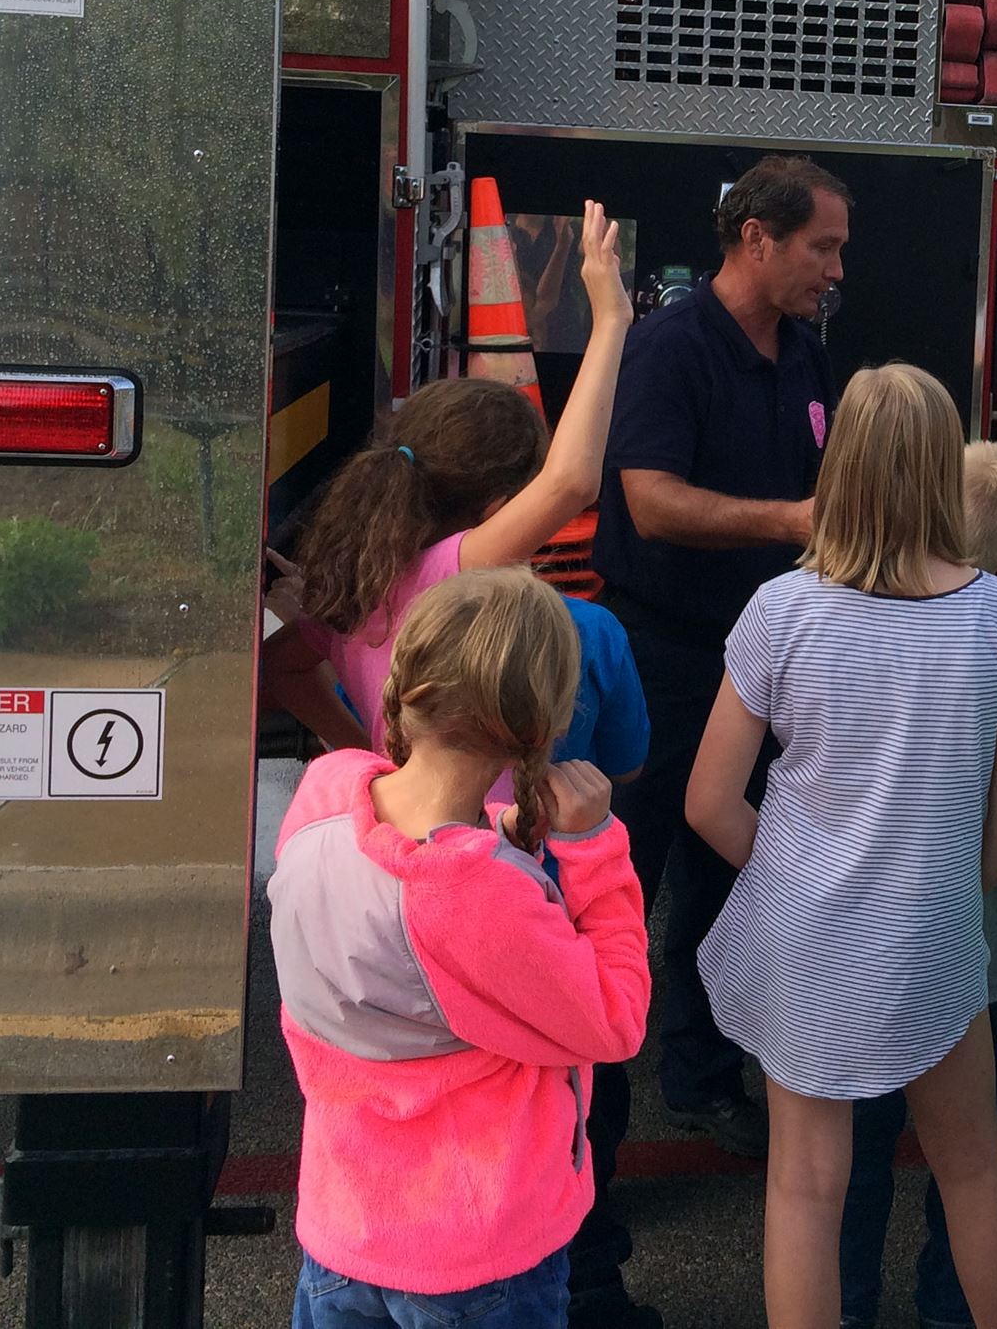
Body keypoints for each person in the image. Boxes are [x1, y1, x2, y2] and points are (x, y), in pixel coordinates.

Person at [685, 364, 997, 1329]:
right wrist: (928, 886)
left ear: (837, 462)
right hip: (929, 935)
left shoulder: (783, 611)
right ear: (944, 468)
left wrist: (797, 877)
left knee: (807, 1185)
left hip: (808, 941)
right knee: (972, 1167)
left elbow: (711, 802)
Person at [267, 568, 651, 1329]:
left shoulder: (322, 795)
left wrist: (499, 837)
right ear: (540, 729)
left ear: (407, 684)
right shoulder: (477, 898)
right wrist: (595, 849)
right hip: (478, 1258)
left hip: (344, 1226)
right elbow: (614, 1019)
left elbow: (408, 886)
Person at [591, 154, 851, 1174]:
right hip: (661, 659)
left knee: (722, 879)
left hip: (761, 666)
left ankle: (699, 1077)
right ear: (757, 240)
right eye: (820, 246)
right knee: (623, 874)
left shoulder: (805, 355)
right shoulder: (670, 347)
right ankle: (589, 1113)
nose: (834, 269)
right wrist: (791, 519)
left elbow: (825, 484)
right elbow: (650, 502)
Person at [838, 440, 997, 1329]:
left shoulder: (845, 617)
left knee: (849, 1157)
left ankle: (849, 1304)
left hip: (856, 943)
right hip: (979, 943)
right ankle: (949, 1306)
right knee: (970, 1153)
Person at [276, 201, 631, 746]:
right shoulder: (451, 573)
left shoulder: (360, 586)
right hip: (470, 831)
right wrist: (610, 320)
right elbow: (572, 482)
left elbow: (279, 668)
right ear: (498, 510)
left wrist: (368, 753)